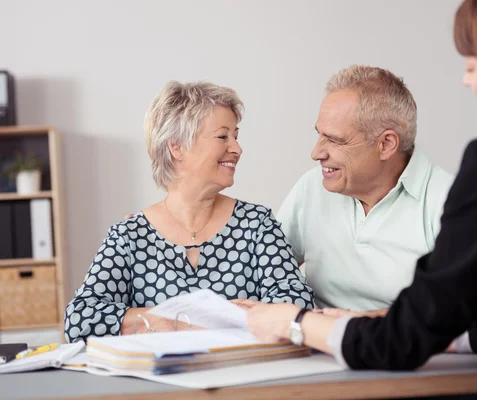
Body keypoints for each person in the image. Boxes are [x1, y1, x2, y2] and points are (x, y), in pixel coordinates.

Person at [245, 0, 477, 398]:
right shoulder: (311, 190)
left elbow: (404, 340)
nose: (469, 83)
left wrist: (295, 322)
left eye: (472, 65)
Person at [64, 81, 314, 343]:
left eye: (236, 137)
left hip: (241, 377)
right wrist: (186, 322)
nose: (237, 149)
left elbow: (297, 302)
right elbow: (81, 319)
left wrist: (147, 321)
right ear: (177, 147)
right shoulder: (129, 235)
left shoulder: (257, 224)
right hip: (161, 381)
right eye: (223, 136)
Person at [277, 65, 455, 317]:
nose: (316, 153)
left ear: (386, 144)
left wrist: (352, 323)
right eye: (319, 135)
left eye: (335, 140)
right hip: (319, 349)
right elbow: (264, 275)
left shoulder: (448, 201)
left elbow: (458, 314)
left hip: (416, 352)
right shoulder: (312, 187)